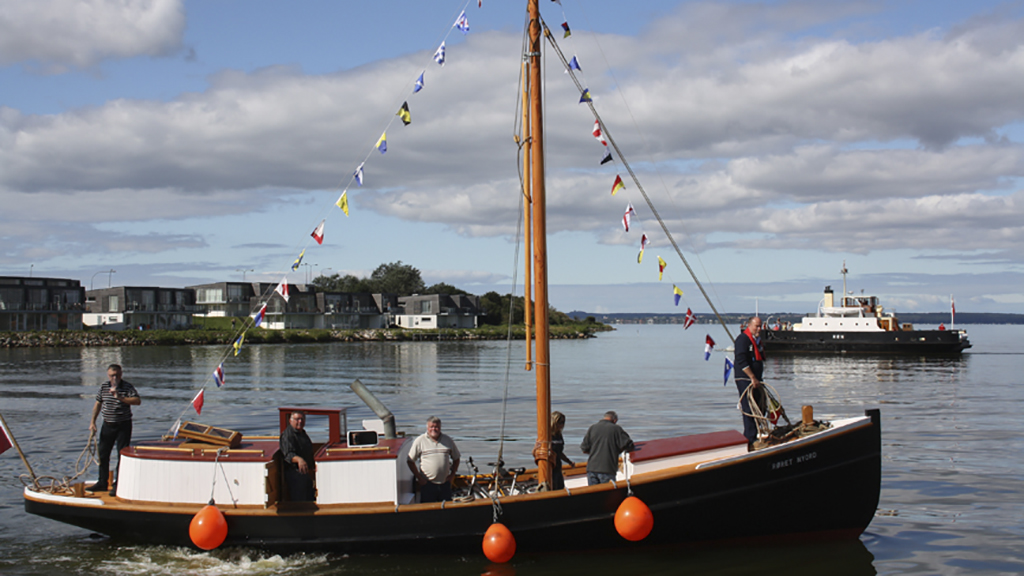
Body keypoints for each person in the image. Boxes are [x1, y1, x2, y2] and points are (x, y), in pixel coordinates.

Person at [87, 364, 141, 495]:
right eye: (112, 375)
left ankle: (118, 484)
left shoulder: (127, 387)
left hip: (123, 425)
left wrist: (121, 397)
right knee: (103, 454)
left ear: (121, 374)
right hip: (108, 425)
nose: (115, 378)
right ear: (108, 375)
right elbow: (98, 404)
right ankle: (102, 482)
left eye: (117, 375)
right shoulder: (104, 387)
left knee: (121, 455)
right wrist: (92, 422)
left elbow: (137, 400)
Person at [407, 416, 461, 502]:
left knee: (447, 510)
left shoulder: (447, 440)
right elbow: (410, 461)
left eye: (436, 427)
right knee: (428, 512)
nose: (434, 429)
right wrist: (419, 478)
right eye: (431, 427)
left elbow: (457, 458)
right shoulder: (420, 441)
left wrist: (452, 475)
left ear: (440, 428)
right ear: (427, 428)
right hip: (427, 484)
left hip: (445, 484)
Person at [734, 316, 767, 451]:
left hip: (756, 380)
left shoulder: (756, 340)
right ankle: (750, 439)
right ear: (749, 325)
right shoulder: (743, 339)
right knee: (749, 408)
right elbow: (741, 360)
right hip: (746, 379)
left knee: (760, 407)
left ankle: (757, 434)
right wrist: (752, 377)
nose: (759, 329)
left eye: (760, 326)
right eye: (756, 326)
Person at [580, 411, 634, 486]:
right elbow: (629, 445)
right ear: (615, 420)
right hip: (607, 469)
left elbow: (584, 448)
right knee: (606, 495)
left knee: (593, 495)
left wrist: (595, 452)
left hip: (591, 468)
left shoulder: (592, 428)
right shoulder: (616, 429)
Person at [280, 410, 316, 501]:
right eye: (297, 419)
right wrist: (299, 460)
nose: (300, 421)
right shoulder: (287, 435)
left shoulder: (302, 433)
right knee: (300, 498)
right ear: (290, 420)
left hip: (305, 471)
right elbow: (288, 454)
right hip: (294, 473)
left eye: (302, 419)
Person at [550, 411, 574, 490]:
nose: (562, 425)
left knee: (560, 487)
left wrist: (569, 461)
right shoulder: (548, 435)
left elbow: (559, 453)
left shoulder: (559, 435)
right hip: (550, 467)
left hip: (557, 466)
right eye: (561, 422)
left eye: (563, 422)